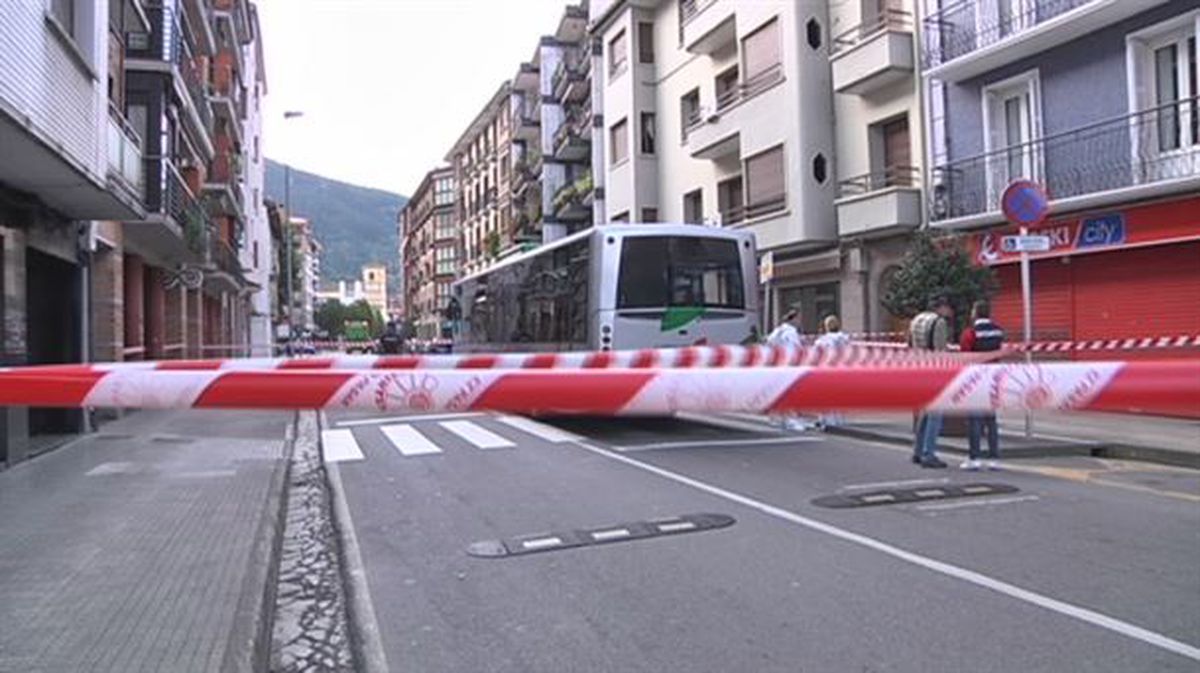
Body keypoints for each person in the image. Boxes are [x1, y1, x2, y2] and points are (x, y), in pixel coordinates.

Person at [959, 300, 1005, 470]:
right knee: (991, 420)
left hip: (976, 379)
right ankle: (994, 458)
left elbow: (965, 358)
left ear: (975, 313)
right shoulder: (998, 331)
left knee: (975, 420)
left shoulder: (970, 333)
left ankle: (974, 458)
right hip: (993, 378)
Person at [910, 296, 953, 468]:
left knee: (925, 414)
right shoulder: (939, 322)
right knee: (935, 415)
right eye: (946, 307)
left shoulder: (916, 320)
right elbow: (939, 351)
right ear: (940, 307)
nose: (948, 311)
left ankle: (918, 451)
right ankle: (929, 453)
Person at [766, 309, 811, 431]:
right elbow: (796, 349)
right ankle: (792, 419)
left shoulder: (778, 330)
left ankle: (777, 418)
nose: (800, 321)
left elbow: (769, 343)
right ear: (794, 319)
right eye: (799, 319)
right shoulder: (791, 332)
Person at [814, 315, 851, 429]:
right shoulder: (845, 338)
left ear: (826, 326)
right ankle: (839, 420)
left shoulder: (821, 341)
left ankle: (825, 419)